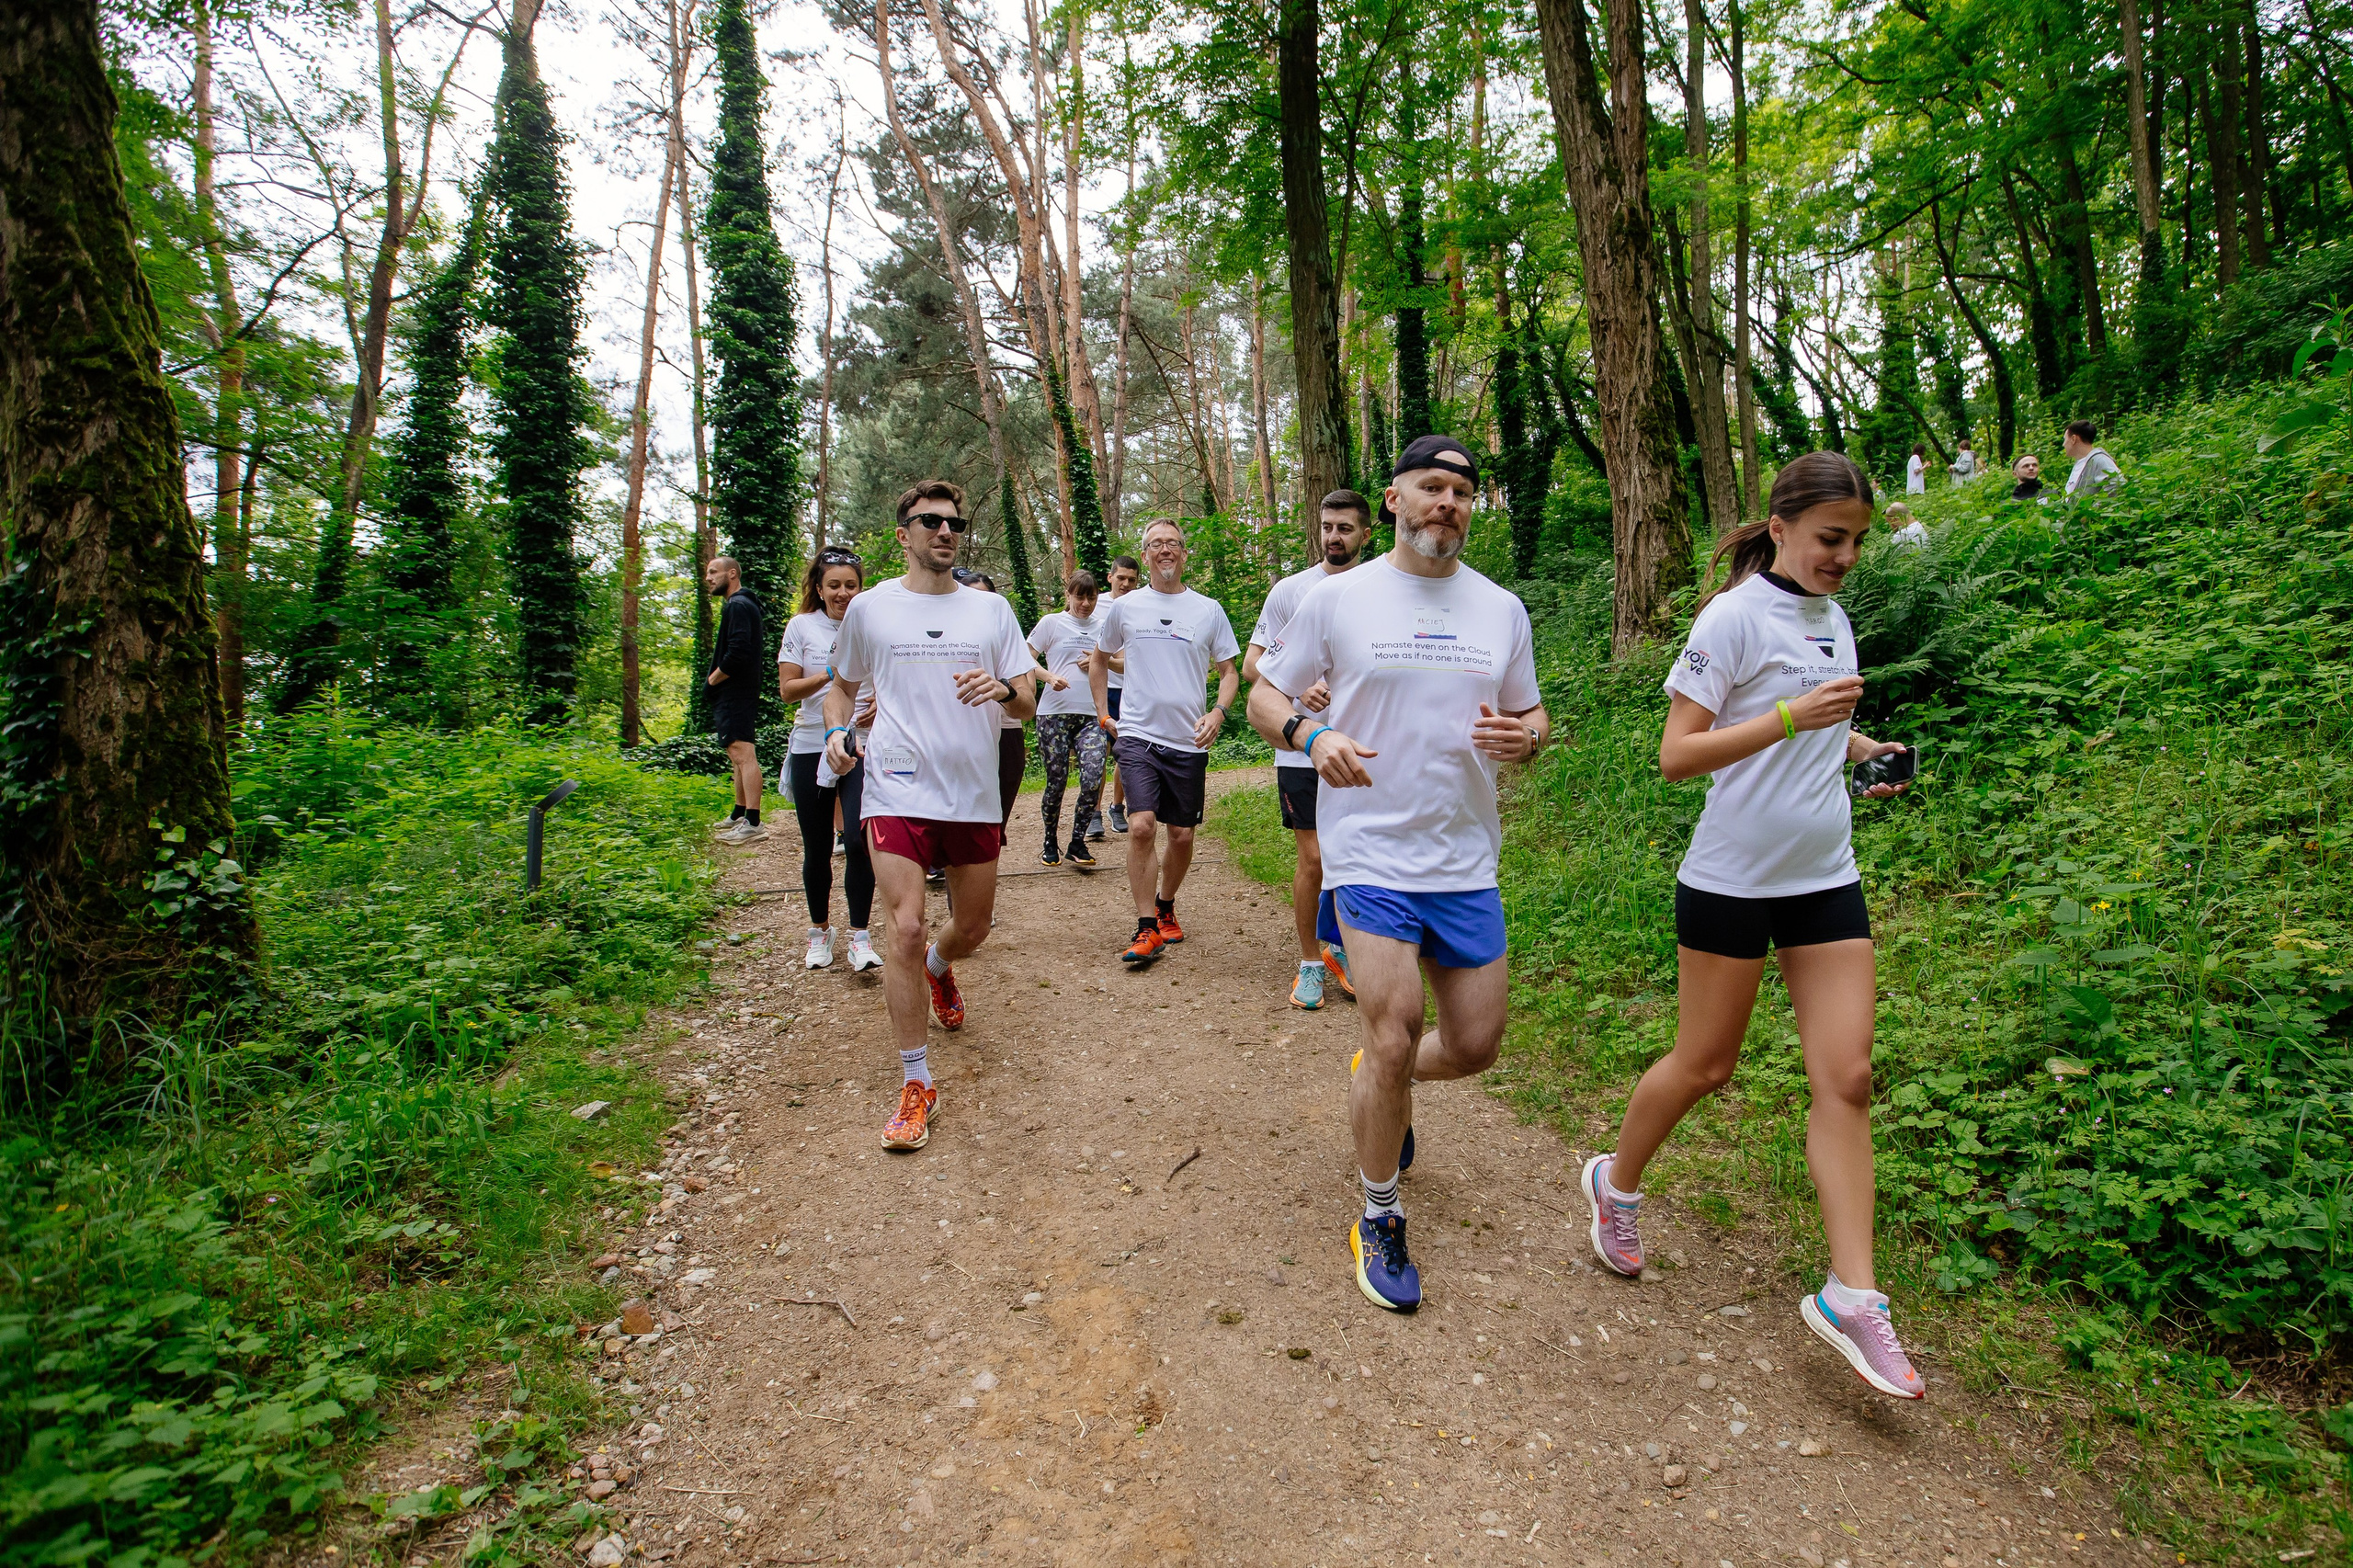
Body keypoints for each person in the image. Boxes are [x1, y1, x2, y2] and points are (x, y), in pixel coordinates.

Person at [1579, 450, 1923, 1400]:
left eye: (1854, 541)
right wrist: (1786, 715)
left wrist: (1862, 745)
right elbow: (1677, 754)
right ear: (1779, 529)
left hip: (1825, 876)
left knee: (1847, 1075)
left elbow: (1817, 723)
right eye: (1828, 539)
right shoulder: (1729, 617)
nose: (1844, 557)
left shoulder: (1834, 616)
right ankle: (1616, 1180)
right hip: (1730, 881)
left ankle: (1853, 1293)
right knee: (1706, 1064)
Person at [1248, 434, 1550, 1315]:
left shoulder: (1501, 608)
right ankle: (1379, 1215)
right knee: (1393, 1032)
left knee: (1473, 1045)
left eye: (1461, 490)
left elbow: (1534, 715)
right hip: (1370, 849)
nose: (1447, 502)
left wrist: (1525, 739)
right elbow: (1267, 693)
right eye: (1431, 486)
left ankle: (1382, 1080)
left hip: (1465, 858)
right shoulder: (1339, 601)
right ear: (1394, 498)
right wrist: (1311, 737)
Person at [824, 481, 1038, 1152]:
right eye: (931, 521)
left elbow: (1026, 701)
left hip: (970, 794)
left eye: (954, 522)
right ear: (903, 534)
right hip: (894, 788)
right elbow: (841, 686)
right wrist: (836, 733)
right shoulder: (870, 608)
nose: (946, 531)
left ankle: (943, 967)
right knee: (907, 927)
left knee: (971, 926)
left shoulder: (992, 610)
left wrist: (1002, 688)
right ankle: (917, 1083)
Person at [1245, 490, 1373, 1008]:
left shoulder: (1379, 588)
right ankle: (1310, 962)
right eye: (1326, 527)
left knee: (1356, 859)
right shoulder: (1290, 592)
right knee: (1315, 858)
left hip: (1363, 746)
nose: (1333, 538)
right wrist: (1299, 691)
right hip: (1298, 746)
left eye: (1344, 528)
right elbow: (1255, 667)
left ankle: (1341, 949)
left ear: (1366, 533)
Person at [1090, 520, 1239, 965]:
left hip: (1189, 740)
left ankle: (1166, 904)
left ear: (1184, 553)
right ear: (1146, 553)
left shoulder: (1208, 609)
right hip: (1137, 734)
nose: (1165, 550)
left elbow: (1229, 671)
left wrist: (1218, 712)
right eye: (1156, 544)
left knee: (1181, 834)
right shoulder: (1126, 607)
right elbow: (1098, 660)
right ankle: (1145, 928)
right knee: (1140, 826)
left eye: (1172, 543)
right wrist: (1104, 713)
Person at [778, 548, 880, 971]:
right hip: (810, 744)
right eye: (833, 585)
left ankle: (860, 936)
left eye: (850, 585)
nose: (842, 593)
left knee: (858, 841)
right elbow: (788, 690)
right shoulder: (801, 626)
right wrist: (835, 675)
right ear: (818, 589)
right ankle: (820, 931)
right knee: (817, 847)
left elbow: (894, 680)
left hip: (862, 743)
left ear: (861, 588)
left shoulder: (875, 624)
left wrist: (882, 707)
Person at [1029, 571, 1108, 869]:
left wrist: (1103, 661)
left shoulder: (1104, 627)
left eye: (1091, 597)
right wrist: (1049, 677)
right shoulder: (1052, 623)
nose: (1085, 603)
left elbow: (1128, 661)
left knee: (1092, 778)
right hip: (1053, 714)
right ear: (1069, 595)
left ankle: (1077, 842)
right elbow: (1023, 656)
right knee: (1057, 781)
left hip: (1092, 715)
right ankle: (1050, 841)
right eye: (1080, 597)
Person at [954, 569, 1029, 832]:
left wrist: (1003, 689)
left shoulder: (1005, 636)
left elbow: (1027, 695)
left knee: (994, 820)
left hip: (1006, 730)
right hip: (959, 735)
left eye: (986, 598)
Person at [707, 555, 767, 845]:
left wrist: (712, 679)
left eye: (713, 572)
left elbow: (739, 651)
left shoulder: (738, 605)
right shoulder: (741, 605)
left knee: (743, 753)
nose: (708, 577)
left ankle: (753, 822)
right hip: (738, 691)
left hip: (736, 691)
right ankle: (740, 812)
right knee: (736, 754)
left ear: (732, 574)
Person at [1095, 556, 1142, 838]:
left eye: (1132, 580)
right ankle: (1093, 811)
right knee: (1099, 753)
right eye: (1121, 578)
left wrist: (1105, 659)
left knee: (1126, 752)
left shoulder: (1141, 605)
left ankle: (1117, 806)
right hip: (1101, 689)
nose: (1126, 584)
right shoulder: (1094, 603)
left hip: (1131, 689)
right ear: (1110, 577)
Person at [2062, 420, 2121, 498]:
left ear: (2073, 439)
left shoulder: (2099, 460)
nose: (2063, 444)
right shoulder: (2081, 463)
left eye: (2065, 439)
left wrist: (2097, 507)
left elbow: (2117, 483)